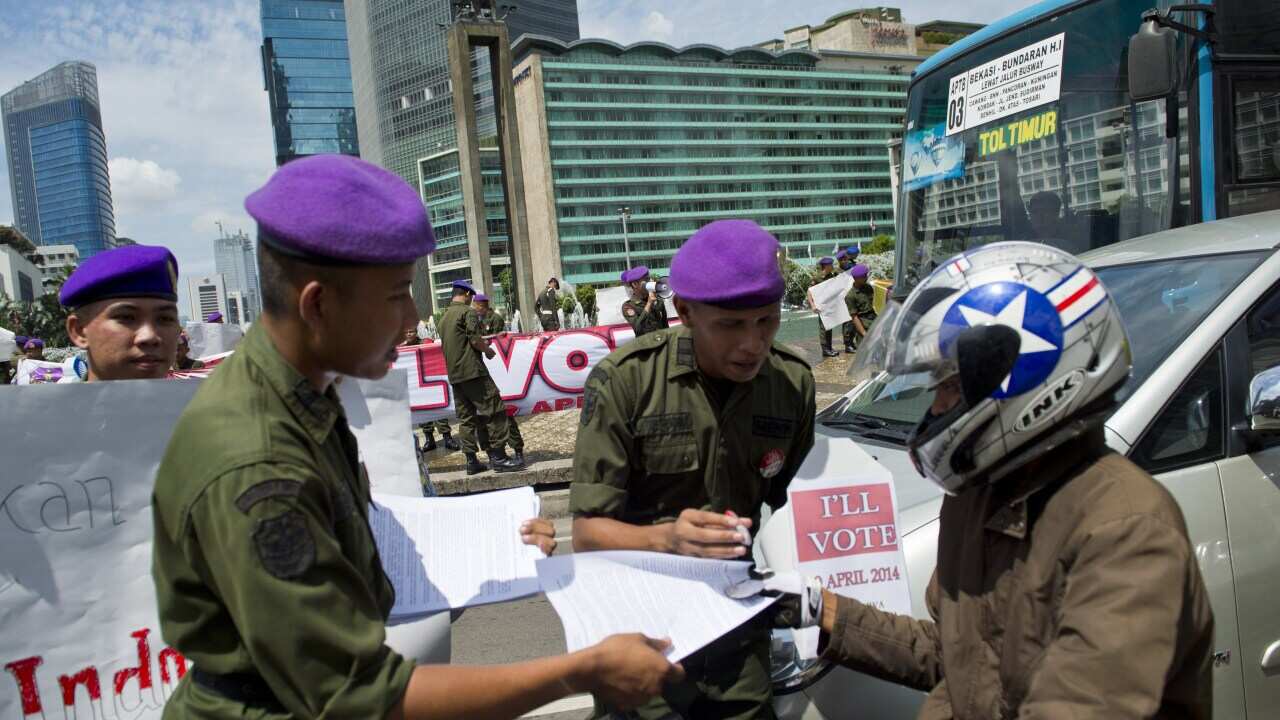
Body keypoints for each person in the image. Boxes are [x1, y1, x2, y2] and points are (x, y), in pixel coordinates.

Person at [151, 154, 681, 720]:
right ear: (318, 304)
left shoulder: (302, 394)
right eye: (397, 294)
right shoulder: (258, 460)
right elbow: (357, 698)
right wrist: (579, 670)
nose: (411, 320)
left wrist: (487, 546)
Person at [737, 242, 1214, 719]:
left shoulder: (1123, 531)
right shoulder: (981, 497)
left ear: (1027, 382)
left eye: (948, 387)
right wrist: (818, 608)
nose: (936, 409)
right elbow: (957, 657)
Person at [571, 219, 816, 720]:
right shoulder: (627, 382)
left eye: (766, 321)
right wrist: (667, 540)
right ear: (683, 312)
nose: (754, 344)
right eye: (730, 325)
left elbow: (798, 514)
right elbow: (586, 531)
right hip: (643, 636)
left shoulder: (792, 385)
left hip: (739, 633)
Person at [59, 244, 182, 382]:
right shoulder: (52, 404)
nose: (149, 336)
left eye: (165, 318)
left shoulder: (198, 402)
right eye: (126, 317)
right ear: (79, 331)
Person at [440, 279, 525, 475]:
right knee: (495, 410)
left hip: (455, 376)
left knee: (466, 419)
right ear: (468, 295)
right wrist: (487, 351)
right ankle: (499, 458)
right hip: (473, 372)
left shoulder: (444, 318)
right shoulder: (466, 312)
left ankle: (471, 461)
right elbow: (475, 338)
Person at [473, 293, 525, 466]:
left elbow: (500, 341)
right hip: (481, 373)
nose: (475, 308)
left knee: (505, 415)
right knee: (482, 419)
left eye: (477, 305)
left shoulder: (495, 319)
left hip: (500, 371)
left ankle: (517, 450)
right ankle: (492, 454)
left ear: (483, 305)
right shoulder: (473, 320)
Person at [399, 327, 460, 454]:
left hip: (431, 382)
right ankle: (429, 439)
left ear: (416, 332)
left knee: (439, 412)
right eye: (407, 332)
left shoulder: (425, 343)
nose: (409, 334)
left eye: (411, 331)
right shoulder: (401, 348)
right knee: (423, 413)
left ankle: (447, 438)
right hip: (415, 385)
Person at [619, 265, 669, 337]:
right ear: (635, 284)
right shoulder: (628, 306)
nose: (649, 282)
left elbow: (665, 325)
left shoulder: (658, 301)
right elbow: (638, 329)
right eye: (646, 280)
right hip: (646, 346)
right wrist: (649, 304)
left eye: (649, 279)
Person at [808, 256, 839, 358]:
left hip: (830, 305)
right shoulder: (817, 278)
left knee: (829, 326)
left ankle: (829, 348)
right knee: (824, 328)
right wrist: (812, 305)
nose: (832, 266)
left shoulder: (832, 275)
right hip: (821, 305)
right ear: (825, 266)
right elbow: (810, 292)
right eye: (831, 265)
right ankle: (825, 349)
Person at [841, 264, 876, 354]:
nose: (866, 277)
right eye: (864, 276)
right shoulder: (850, 296)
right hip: (863, 324)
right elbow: (854, 317)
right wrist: (864, 333)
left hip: (874, 320)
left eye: (866, 275)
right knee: (866, 354)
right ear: (856, 278)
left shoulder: (868, 287)